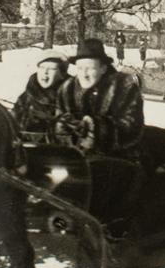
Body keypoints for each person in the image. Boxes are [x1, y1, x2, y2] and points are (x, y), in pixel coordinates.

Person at [59, 39, 152, 235]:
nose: (84, 73)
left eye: (90, 68)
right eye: (80, 67)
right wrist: (66, 127)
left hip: (119, 156)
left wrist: (96, 127)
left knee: (99, 177)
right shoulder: (67, 88)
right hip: (75, 156)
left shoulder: (124, 86)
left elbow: (132, 126)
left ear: (103, 68)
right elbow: (58, 121)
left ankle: (107, 233)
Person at [12, 52, 70, 143]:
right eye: (42, 67)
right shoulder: (26, 97)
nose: (45, 72)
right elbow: (13, 124)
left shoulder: (70, 96)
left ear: (62, 73)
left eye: (51, 69)